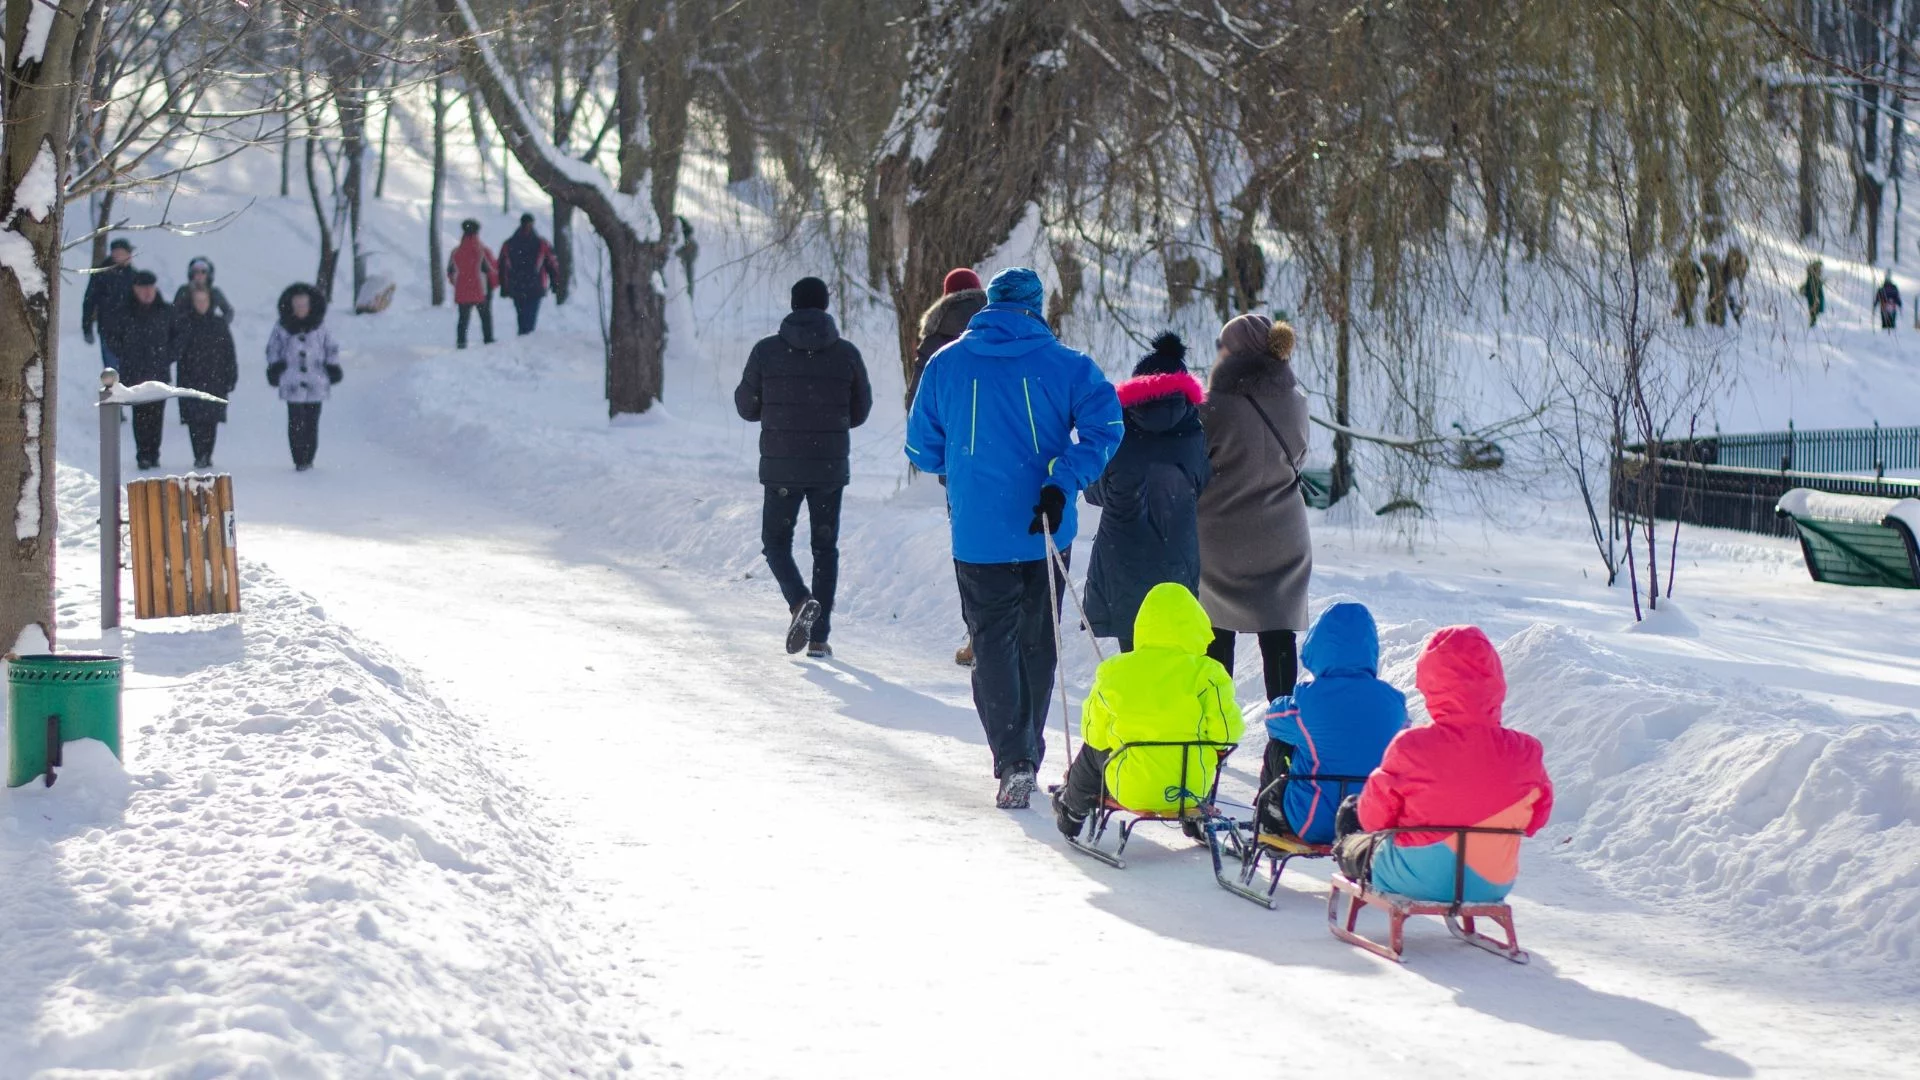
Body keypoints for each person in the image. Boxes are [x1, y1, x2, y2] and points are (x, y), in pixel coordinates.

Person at [905, 266, 1123, 808]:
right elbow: (1108, 426)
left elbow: (921, 448)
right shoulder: (1068, 365)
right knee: (1037, 640)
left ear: (989, 305)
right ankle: (1028, 750)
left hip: (978, 530)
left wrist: (961, 463)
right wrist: (1065, 477)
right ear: (1036, 307)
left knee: (992, 643)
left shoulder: (945, 363)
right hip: (1044, 527)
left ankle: (1014, 759)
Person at [1332, 625, 1553, 903]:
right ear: (1496, 682)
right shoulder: (1527, 752)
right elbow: (1536, 819)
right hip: (1492, 883)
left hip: (1410, 878)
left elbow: (1374, 819)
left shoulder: (1411, 746)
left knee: (1352, 816)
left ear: (1431, 684)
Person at [734, 276, 873, 659]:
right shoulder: (846, 354)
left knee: (775, 543)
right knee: (824, 548)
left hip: (781, 467)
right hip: (828, 467)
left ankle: (799, 601)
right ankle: (819, 637)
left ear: (793, 305)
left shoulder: (766, 352)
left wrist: (776, 411)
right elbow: (860, 411)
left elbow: (746, 407)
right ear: (826, 306)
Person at [1051, 583, 1242, 838]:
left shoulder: (1115, 672)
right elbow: (1227, 734)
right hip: (1193, 788)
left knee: (1093, 750)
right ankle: (1193, 818)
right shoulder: (1208, 673)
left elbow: (1093, 733)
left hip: (1131, 788)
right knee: (1199, 749)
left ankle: (1073, 807)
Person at [1197, 314, 1311, 702]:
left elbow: (1199, 463)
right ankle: (1284, 730)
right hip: (1283, 532)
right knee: (1279, 634)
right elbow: (1299, 456)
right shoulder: (1297, 402)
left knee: (1215, 631)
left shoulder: (1211, 406)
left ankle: (1214, 733)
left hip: (1221, 536)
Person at [1082, 332, 1210, 652]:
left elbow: (1095, 492)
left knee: (1133, 649)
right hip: (1177, 558)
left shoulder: (1117, 430)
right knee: (1173, 653)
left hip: (1122, 558)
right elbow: (1203, 483)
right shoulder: (1194, 433)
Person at [1255, 602, 1406, 845]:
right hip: (1369, 821)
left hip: (1311, 822)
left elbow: (1273, 721)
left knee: (1279, 748)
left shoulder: (1308, 699)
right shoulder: (1393, 702)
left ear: (1318, 647)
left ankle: (1267, 821)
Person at [911, 266, 990, 668]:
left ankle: (978, 635)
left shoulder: (935, 343)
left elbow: (918, 409)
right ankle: (1007, 634)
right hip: (1011, 460)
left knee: (969, 549)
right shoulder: (1001, 330)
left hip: (959, 465)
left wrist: (946, 456)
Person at [265, 283, 341, 472]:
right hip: (292, 381)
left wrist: (332, 365)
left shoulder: (320, 327)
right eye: (297, 305)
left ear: (310, 306)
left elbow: (331, 347)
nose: (301, 309)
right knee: (296, 421)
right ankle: (299, 458)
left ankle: (310, 455)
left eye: (304, 305)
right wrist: (275, 366)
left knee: (312, 422)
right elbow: (273, 348)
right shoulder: (282, 327)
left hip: (317, 381)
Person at [117, 271, 178, 471]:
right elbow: (111, 335)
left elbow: (179, 337)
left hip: (158, 371)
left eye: (150, 288)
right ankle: (143, 453)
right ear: (135, 290)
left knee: (157, 415)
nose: (147, 293)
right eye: (143, 289)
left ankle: (154, 453)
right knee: (140, 414)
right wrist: (125, 353)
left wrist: (167, 355)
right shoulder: (125, 311)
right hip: (134, 372)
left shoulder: (166, 311)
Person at [174, 285, 238, 470]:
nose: (201, 305)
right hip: (191, 378)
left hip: (215, 379)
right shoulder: (185, 323)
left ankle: (207, 454)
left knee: (211, 419)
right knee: (194, 420)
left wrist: (231, 376)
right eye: (198, 301)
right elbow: (178, 351)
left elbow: (229, 353)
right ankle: (198, 454)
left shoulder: (219, 324)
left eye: (204, 301)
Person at [910, 268, 988, 405]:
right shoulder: (999, 332)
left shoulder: (932, 344)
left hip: (948, 425)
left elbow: (916, 402)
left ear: (946, 297)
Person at [498, 213, 561, 336]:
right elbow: (552, 263)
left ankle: (523, 336)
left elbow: (502, 266)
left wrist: (504, 286)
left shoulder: (509, 243)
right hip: (535, 285)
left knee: (521, 316)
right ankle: (527, 337)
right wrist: (555, 281)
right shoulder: (541, 243)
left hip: (516, 285)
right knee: (530, 315)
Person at [81, 237, 138, 370]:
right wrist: (87, 327)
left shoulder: (134, 276)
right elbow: (89, 301)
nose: (119, 256)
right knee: (112, 371)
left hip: (131, 331)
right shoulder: (102, 274)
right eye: (116, 253)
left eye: (122, 253)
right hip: (108, 329)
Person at [447, 218, 498, 347]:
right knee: (485, 317)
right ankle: (488, 339)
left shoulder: (456, 252)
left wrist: (458, 284)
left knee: (463, 319)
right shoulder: (482, 251)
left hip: (462, 291)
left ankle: (461, 342)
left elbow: (450, 272)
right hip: (480, 290)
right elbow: (491, 270)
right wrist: (492, 285)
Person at [171, 257, 234, 324]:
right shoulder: (183, 291)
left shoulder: (214, 292)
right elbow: (174, 312)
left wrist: (219, 325)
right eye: (196, 271)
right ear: (192, 274)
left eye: (203, 271)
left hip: (208, 331)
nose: (199, 274)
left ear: (208, 274)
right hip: (187, 330)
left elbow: (229, 311)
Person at [1801, 260, 1827, 327]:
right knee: (1814, 308)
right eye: (1819, 269)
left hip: (1814, 295)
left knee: (1814, 308)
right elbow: (1811, 286)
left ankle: (1813, 320)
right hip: (1813, 295)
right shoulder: (1812, 277)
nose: (1821, 271)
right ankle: (1812, 321)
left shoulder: (1813, 276)